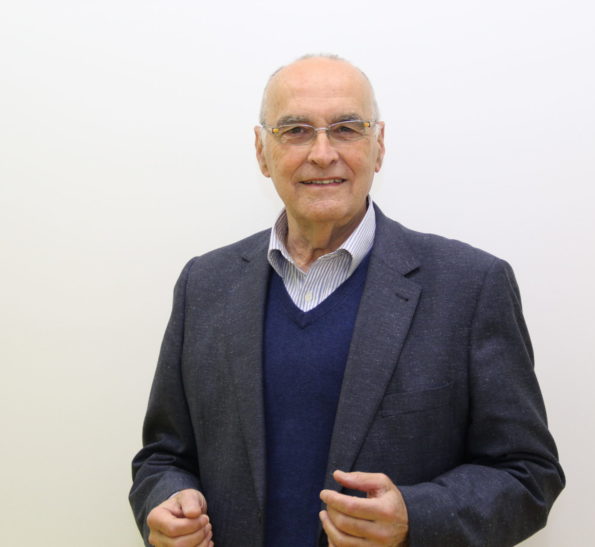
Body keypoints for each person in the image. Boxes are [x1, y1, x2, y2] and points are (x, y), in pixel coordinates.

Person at [130, 54, 564, 547]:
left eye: (346, 129)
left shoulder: (470, 287)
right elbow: (163, 457)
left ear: (379, 146)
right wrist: (167, 502)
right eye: (295, 130)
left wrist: (415, 518)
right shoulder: (204, 284)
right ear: (261, 152)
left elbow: (528, 475)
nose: (322, 153)